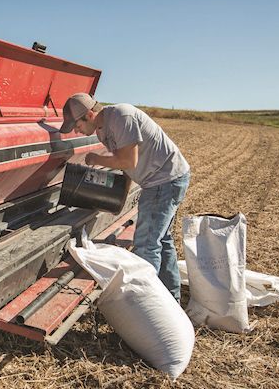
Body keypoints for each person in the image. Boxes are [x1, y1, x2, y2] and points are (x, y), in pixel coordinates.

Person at [59, 93, 191, 302]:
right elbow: (127, 167)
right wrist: (119, 198)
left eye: (76, 125)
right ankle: (171, 299)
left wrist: (96, 158)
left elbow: (128, 160)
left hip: (164, 181)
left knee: (146, 245)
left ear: (89, 115)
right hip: (160, 180)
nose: (76, 131)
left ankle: (146, 304)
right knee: (162, 241)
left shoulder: (122, 117)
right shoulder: (103, 130)